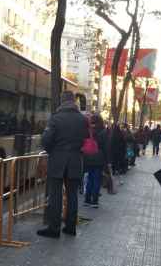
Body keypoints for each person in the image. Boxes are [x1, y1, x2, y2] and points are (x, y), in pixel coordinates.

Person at [38, 91, 88, 238]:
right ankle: (70, 227)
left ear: (62, 101)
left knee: (55, 195)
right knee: (72, 195)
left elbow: (46, 140)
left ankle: (54, 228)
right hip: (76, 161)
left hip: (58, 161)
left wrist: (52, 151)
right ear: (74, 102)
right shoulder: (82, 119)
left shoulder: (56, 118)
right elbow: (85, 139)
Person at [83, 114, 108, 208]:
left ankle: (87, 199)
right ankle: (94, 201)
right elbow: (106, 147)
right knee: (97, 179)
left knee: (89, 179)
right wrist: (107, 160)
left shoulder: (88, 130)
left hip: (88, 157)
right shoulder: (103, 131)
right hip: (99, 159)